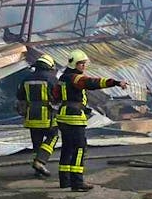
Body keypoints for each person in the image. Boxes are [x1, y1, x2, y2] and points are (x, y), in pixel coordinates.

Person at [52, 49, 128, 191]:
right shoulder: (76, 78)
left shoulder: (62, 78)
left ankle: (65, 181)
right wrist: (115, 82)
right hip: (74, 118)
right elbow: (92, 83)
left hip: (63, 115)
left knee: (67, 148)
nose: (83, 66)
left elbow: (55, 96)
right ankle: (77, 183)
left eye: (84, 64)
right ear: (74, 64)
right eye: (81, 64)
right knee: (80, 148)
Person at [15, 54, 59, 177]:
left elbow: (20, 96)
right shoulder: (52, 79)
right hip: (47, 115)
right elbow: (58, 96)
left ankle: (37, 170)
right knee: (53, 136)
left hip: (31, 116)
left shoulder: (26, 79)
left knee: (37, 142)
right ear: (49, 66)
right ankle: (40, 161)